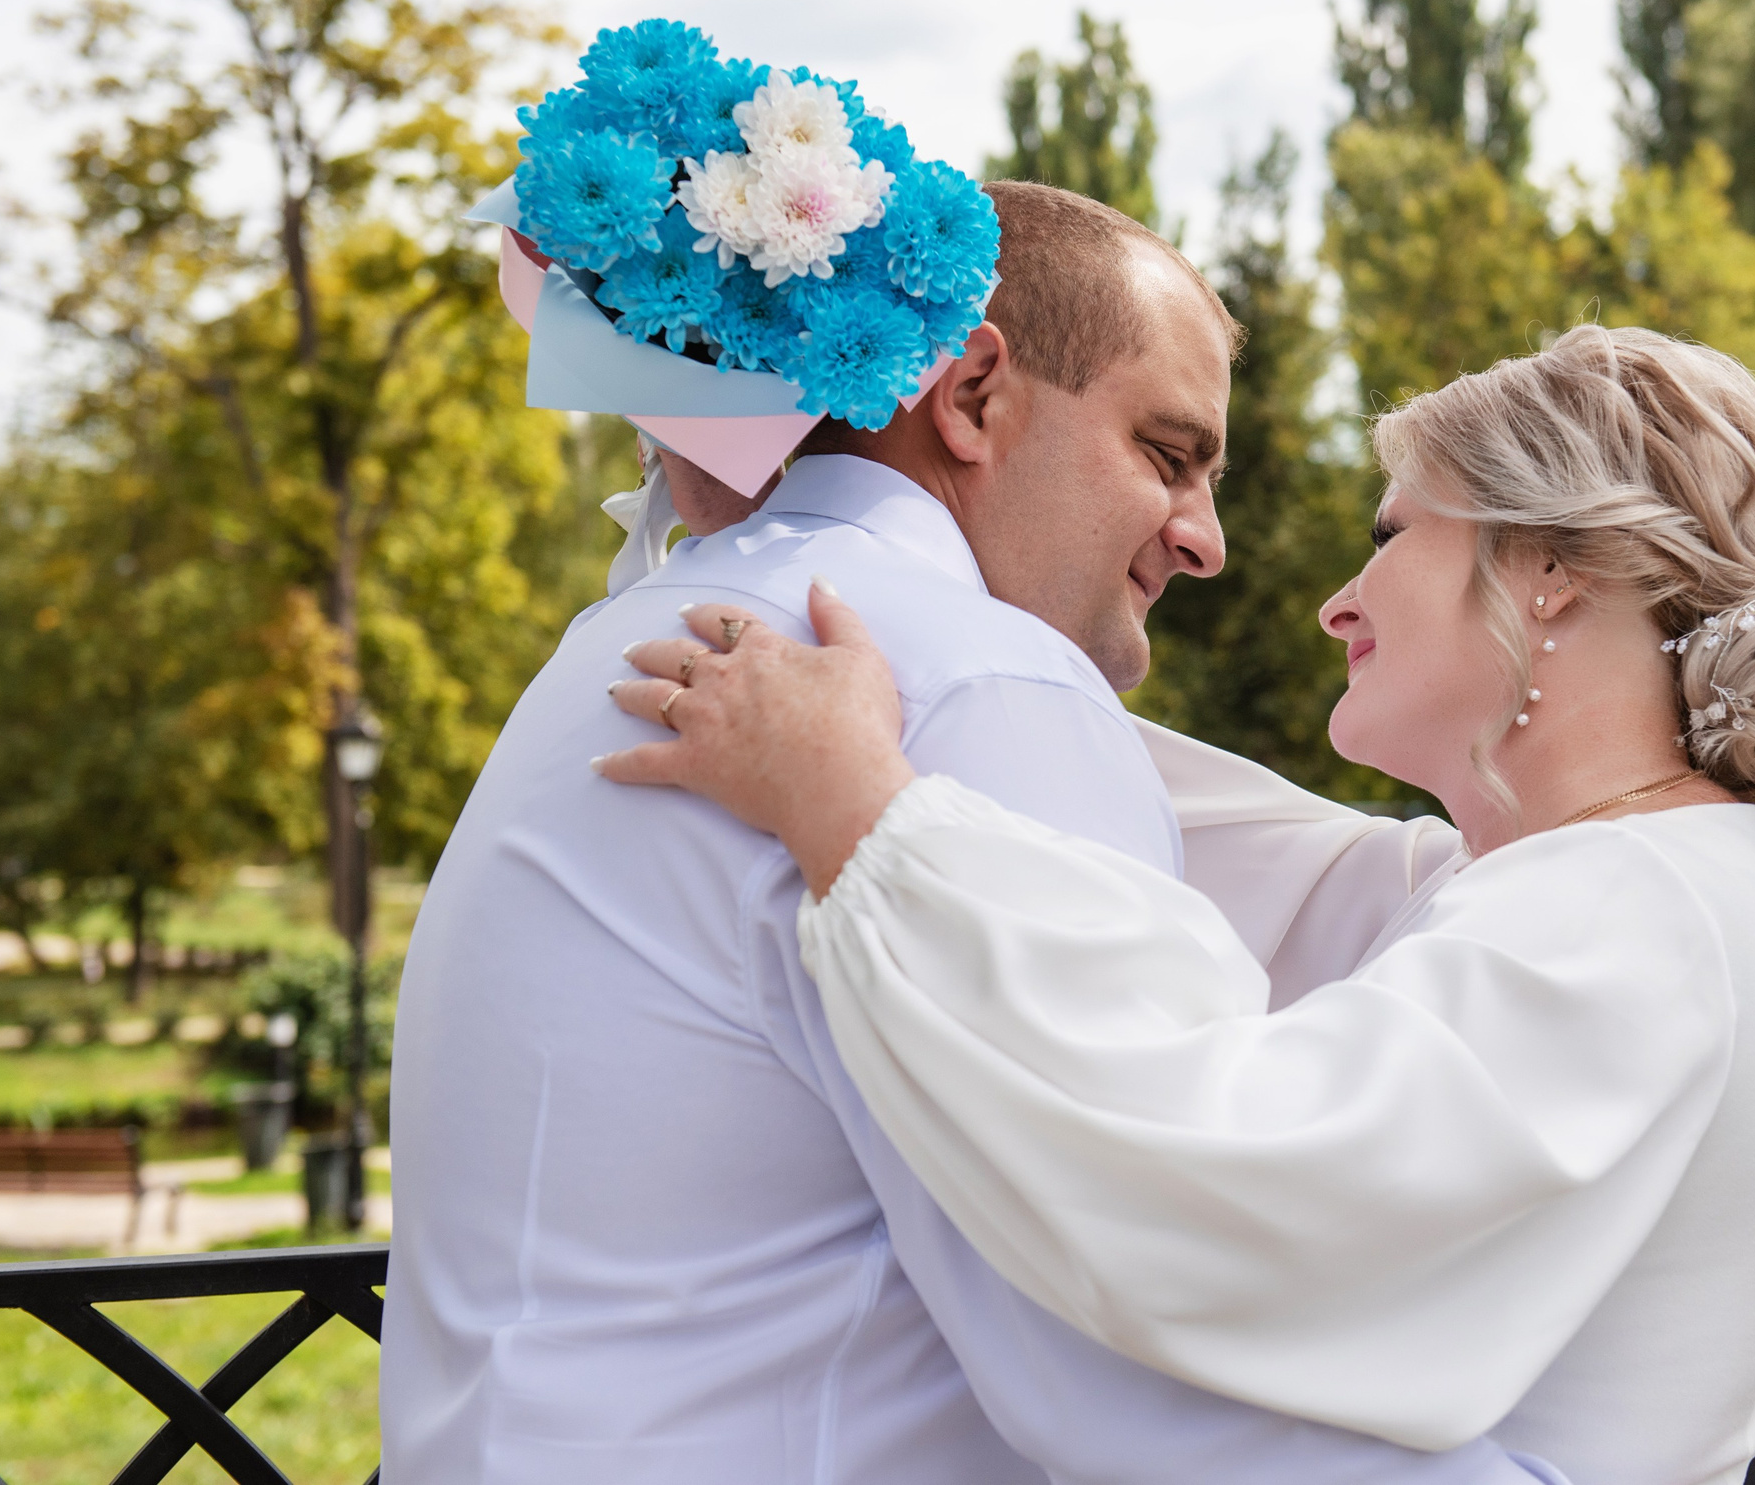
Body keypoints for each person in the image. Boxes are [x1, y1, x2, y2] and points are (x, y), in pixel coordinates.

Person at [379, 180, 1566, 1485]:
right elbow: (1121, 1328)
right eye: (1169, 455)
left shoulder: (616, 636)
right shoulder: (974, 678)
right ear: (976, 393)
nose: (1206, 539)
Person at [603, 324, 1755, 1485]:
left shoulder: (1625, 909)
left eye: (1394, 533)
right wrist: (790, 528)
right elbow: (1179, 807)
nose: (1340, 599)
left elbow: (1222, 1188)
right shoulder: (1618, 876)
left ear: (1548, 565)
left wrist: (855, 812)